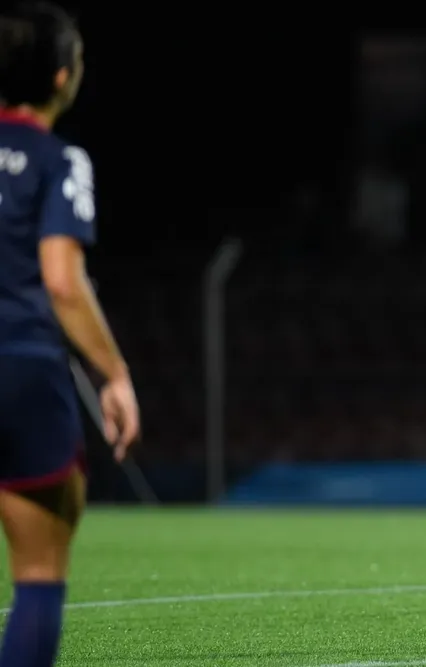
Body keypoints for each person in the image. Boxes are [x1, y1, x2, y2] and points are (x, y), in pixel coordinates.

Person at [0, 3, 140, 665]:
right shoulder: (59, 160)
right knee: (38, 572)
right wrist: (113, 373)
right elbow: (62, 280)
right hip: (22, 370)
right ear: (61, 77)